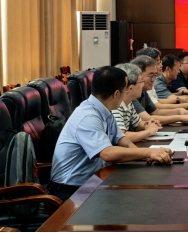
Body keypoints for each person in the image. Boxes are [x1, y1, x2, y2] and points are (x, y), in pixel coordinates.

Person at [50, 66, 173, 201]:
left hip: (93, 181)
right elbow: (107, 153)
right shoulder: (87, 116)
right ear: (116, 94)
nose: (126, 93)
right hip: (71, 191)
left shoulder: (103, 109)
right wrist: (148, 152)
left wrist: (148, 157)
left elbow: (121, 139)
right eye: (125, 90)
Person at [130, 56, 188, 125]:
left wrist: (180, 111)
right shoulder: (131, 93)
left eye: (155, 76)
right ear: (138, 75)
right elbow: (147, 118)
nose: (153, 80)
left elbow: (156, 112)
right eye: (151, 76)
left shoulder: (144, 92)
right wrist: (180, 117)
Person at [137, 47, 188, 112]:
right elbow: (157, 108)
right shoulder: (152, 83)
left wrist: (179, 100)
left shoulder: (151, 81)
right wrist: (184, 108)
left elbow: (157, 101)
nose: (161, 65)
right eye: (158, 62)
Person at [112, 63, 163, 143]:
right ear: (130, 88)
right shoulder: (115, 105)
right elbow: (121, 137)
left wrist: (147, 124)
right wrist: (148, 132)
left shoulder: (128, 102)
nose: (143, 85)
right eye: (141, 82)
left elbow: (136, 125)